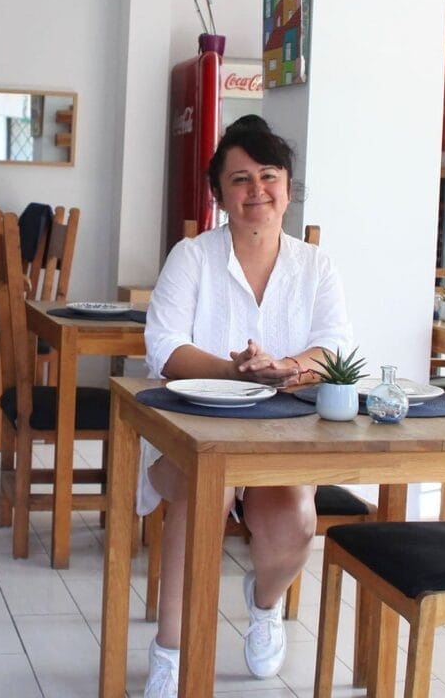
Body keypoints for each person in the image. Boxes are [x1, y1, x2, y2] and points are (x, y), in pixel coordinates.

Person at [140, 114, 354, 697]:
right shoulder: (192, 256)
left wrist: (287, 368)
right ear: (219, 195)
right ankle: (170, 651)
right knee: (203, 492)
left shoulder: (316, 266)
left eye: (268, 175)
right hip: (193, 431)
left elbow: (334, 347)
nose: (256, 189)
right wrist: (230, 372)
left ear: (287, 188)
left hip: (280, 441)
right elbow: (162, 346)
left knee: (294, 523)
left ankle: (264, 605)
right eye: (240, 179)